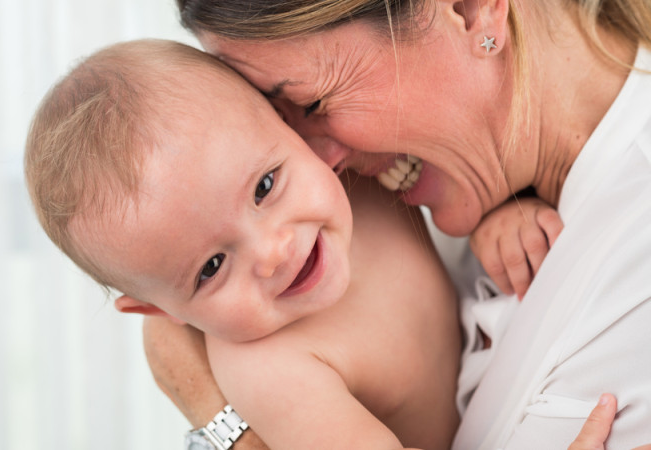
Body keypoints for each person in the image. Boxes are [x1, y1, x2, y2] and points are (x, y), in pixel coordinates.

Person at [143, 0, 651, 448]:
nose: (316, 164)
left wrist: (220, 418)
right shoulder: (477, 196)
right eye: (278, 122)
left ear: (471, 10)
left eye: (314, 104)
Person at [25, 39, 465, 449]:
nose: (271, 254)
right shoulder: (269, 371)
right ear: (160, 310)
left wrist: (501, 223)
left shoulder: (358, 177)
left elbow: (472, 175)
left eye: (264, 187)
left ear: (289, 123)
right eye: (212, 267)